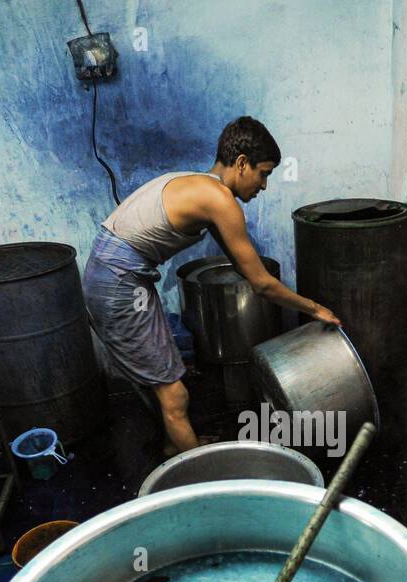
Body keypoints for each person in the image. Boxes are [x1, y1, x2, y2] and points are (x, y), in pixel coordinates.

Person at [82, 116, 340, 456]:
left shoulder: (202, 187)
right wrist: (315, 309)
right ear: (242, 163)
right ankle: (202, 481)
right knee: (174, 394)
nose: (263, 186)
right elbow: (261, 284)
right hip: (117, 280)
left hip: (115, 274)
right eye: (263, 174)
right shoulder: (219, 200)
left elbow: (245, 266)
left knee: (165, 380)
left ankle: (175, 445)